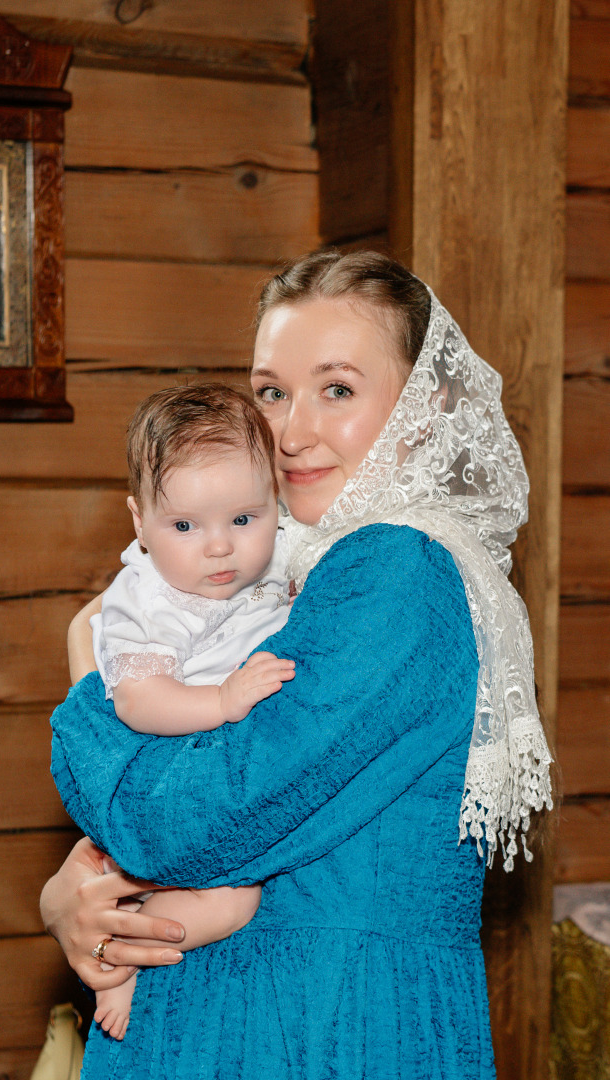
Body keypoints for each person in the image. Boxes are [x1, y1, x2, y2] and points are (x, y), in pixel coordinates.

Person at [42, 250, 553, 1079]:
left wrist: (89, 691)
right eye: (272, 391)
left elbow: (192, 821)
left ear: (425, 410)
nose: (288, 432)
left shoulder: (395, 569)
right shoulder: (277, 573)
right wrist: (71, 894)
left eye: (338, 389)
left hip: (315, 1023)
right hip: (263, 1004)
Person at [88, 383, 295, 1039]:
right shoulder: (147, 596)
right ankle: (125, 953)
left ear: (275, 505)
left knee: (238, 895)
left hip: (234, 761)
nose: (219, 548)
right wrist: (222, 701)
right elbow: (138, 699)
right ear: (139, 522)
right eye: (185, 526)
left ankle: (130, 922)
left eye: (244, 519)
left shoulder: (275, 557)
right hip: (167, 762)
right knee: (234, 900)